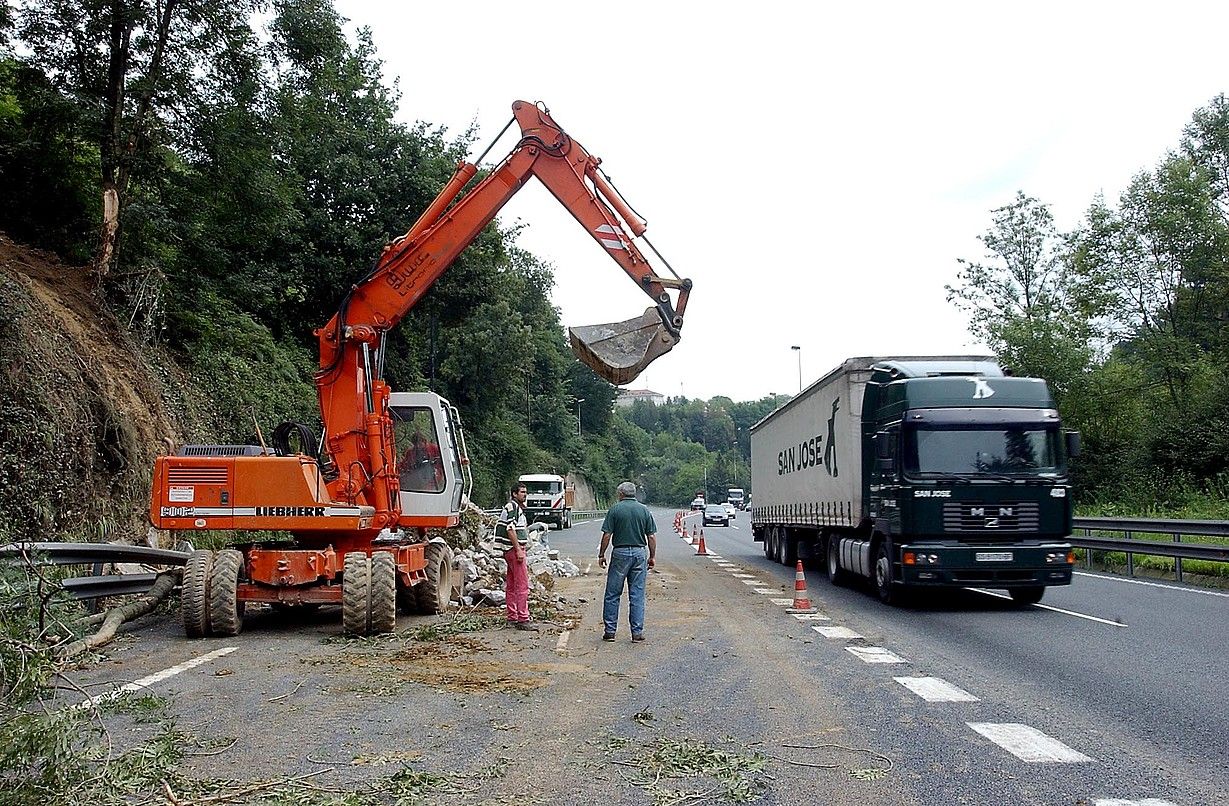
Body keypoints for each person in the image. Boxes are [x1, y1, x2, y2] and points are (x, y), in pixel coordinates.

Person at [598, 481, 657, 642]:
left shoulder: (615, 509)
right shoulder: (644, 510)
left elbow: (607, 535)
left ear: (621, 494)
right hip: (639, 553)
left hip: (620, 553)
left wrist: (601, 554)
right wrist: (652, 556)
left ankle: (610, 631)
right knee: (637, 595)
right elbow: (651, 536)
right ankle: (637, 633)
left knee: (612, 593)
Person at [495, 483, 538, 631]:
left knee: (512, 585)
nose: (525, 495)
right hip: (514, 550)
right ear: (514, 494)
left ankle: (512, 616)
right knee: (522, 585)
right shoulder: (513, 508)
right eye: (522, 492)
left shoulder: (511, 507)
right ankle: (523, 619)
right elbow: (510, 528)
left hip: (509, 551)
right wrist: (519, 549)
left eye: (526, 492)